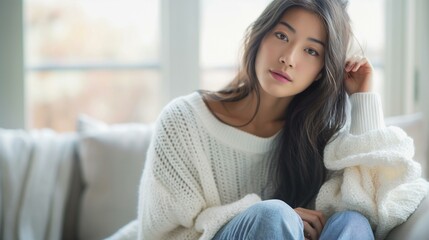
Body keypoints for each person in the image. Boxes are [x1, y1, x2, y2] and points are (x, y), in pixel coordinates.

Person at [109, 0, 429, 239]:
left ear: (322, 71)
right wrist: (263, 215)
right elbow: (162, 234)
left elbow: (380, 210)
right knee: (272, 216)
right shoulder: (184, 121)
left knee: (353, 223)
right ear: (259, 36)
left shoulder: (322, 135)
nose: (288, 58)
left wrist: (363, 101)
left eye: (311, 51)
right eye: (282, 35)